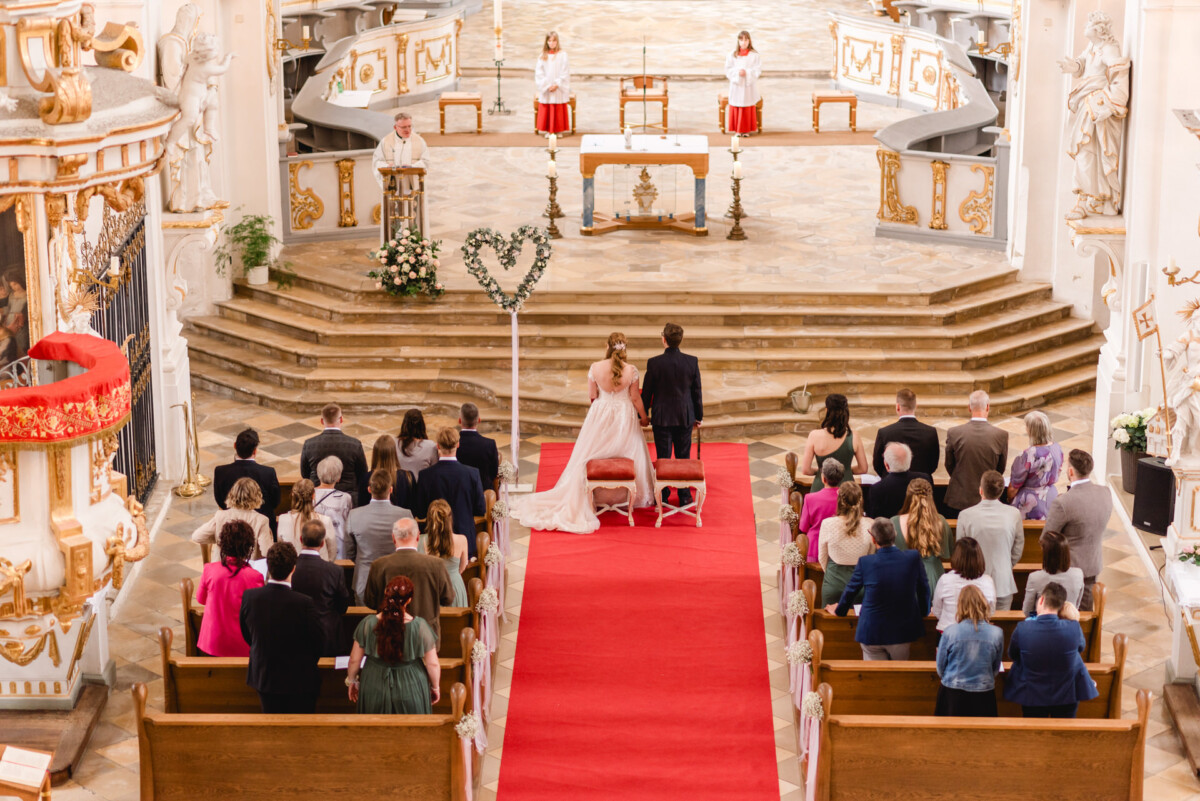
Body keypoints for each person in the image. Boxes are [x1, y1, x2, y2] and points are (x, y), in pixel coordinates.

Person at [512, 333, 655, 534]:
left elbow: (592, 395)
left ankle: (596, 494)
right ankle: (627, 495)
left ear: (607, 346)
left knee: (590, 453)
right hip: (625, 417)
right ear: (625, 349)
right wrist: (644, 417)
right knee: (630, 451)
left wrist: (602, 409)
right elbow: (635, 398)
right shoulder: (631, 370)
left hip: (600, 413)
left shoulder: (595, 368)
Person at [826, 518, 930, 660]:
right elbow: (924, 588)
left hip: (872, 631)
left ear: (873, 539)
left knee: (874, 673)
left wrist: (839, 610)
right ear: (895, 534)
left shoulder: (865, 562)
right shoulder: (912, 558)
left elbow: (851, 591)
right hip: (902, 631)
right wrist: (924, 612)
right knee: (899, 672)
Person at [239, 543, 324, 713]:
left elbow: (247, 633)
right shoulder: (304, 603)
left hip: (264, 675)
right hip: (299, 678)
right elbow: (318, 641)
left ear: (268, 566)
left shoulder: (250, 597)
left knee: (270, 723)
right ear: (293, 569)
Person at [347, 575, 440, 714]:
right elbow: (432, 664)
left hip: (374, 683)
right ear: (409, 600)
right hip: (411, 685)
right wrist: (435, 687)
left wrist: (352, 681)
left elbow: (354, 660)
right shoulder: (420, 626)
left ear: (386, 594)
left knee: (374, 727)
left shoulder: (368, 623)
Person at [1004, 582, 1099, 717]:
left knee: (1035, 729)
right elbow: (1080, 648)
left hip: (1032, 695)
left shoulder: (1023, 629)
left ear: (1041, 600)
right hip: (1066, 694)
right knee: (1065, 730)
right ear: (1061, 605)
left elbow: (1013, 655)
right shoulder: (1073, 627)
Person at [364, 518, 456, 644]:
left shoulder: (378, 565)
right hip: (425, 637)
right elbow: (448, 598)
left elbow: (370, 602)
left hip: (389, 635)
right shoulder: (436, 565)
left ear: (393, 538)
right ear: (418, 537)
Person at [642, 323, 703, 507]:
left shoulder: (654, 363)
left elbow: (647, 393)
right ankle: (684, 495)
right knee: (684, 456)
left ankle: (663, 495)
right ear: (680, 340)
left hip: (662, 417)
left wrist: (642, 414)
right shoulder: (692, 361)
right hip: (685, 416)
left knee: (663, 457)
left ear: (664, 340)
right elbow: (697, 392)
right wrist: (698, 416)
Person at [1044, 449, 1111, 611]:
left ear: (1071, 471)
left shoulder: (1063, 502)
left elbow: (1046, 538)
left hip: (1067, 570)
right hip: (1092, 564)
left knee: (1064, 614)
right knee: (1084, 614)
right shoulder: (1105, 492)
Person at [414, 428, 486, 559]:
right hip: (464, 542)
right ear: (458, 444)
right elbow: (480, 509)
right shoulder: (472, 474)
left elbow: (420, 512)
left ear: (438, 446)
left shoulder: (425, 476)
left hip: (434, 543)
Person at [194, 520, 264, 657]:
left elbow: (201, 599)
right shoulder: (255, 577)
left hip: (212, 643)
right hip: (242, 645)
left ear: (222, 545)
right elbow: (258, 611)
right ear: (248, 547)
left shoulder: (210, 570)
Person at [956, 471, 1023, 610]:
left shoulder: (965, 515)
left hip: (974, 582)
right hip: (1003, 580)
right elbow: (1018, 547)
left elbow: (961, 551)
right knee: (1000, 623)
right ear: (1001, 492)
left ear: (981, 490)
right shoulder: (1014, 514)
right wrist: (1006, 564)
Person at [346, 470, 414, 604]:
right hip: (397, 579)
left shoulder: (354, 515)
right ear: (391, 490)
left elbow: (349, 551)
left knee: (366, 616)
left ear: (369, 489)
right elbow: (410, 548)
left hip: (364, 579)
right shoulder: (405, 515)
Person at [935, 584, 1003, 717]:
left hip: (953, 689)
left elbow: (940, 668)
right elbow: (995, 667)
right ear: (983, 604)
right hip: (983, 690)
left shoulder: (950, 632)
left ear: (960, 606)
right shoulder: (996, 633)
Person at [290, 520, 353, 657]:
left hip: (295, 634)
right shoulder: (334, 571)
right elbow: (343, 606)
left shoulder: (289, 567)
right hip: (327, 635)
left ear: (301, 539)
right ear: (323, 543)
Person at [943, 390, 1008, 517]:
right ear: (988, 407)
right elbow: (1000, 470)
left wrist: (961, 478)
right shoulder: (1001, 435)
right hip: (987, 499)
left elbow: (949, 465)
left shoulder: (954, 433)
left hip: (959, 499)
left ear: (969, 408)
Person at [213, 428, 281, 534]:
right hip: (262, 528)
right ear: (255, 450)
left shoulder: (221, 472)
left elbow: (221, 501)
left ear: (235, 446)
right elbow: (275, 502)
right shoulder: (268, 473)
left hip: (232, 528)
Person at [299, 403, 370, 506]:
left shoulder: (309, 444)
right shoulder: (354, 444)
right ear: (341, 419)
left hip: (317, 500)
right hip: (349, 499)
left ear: (322, 421)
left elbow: (305, 474)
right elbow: (362, 474)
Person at [817, 482, 873, 606]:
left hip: (833, 583)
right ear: (861, 501)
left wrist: (832, 574)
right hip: (859, 585)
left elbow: (822, 557)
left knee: (829, 619)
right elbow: (871, 556)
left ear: (839, 500)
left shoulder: (827, 523)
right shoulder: (870, 524)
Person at [892, 478, 951, 593]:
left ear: (908, 496)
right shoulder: (940, 521)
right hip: (933, 577)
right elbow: (947, 555)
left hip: (904, 577)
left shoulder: (894, 522)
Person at [799, 394, 868, 493]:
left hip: (821, 488)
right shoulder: (855, 436)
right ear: (846, 412)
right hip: (846, 490)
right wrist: (846, 470)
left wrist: (821, 471)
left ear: (826, 411)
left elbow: (806, 470)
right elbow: (863, 469)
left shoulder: (814, 435)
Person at [191, 477, 272, 560]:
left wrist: (219, 538)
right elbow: (266, 551)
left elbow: (197, 536)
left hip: (222, 565)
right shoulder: (261, 520)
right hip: (248, 565)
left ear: (232, 495)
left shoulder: (221, 515)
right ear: (257, 497)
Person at [930, 537, 996, 632]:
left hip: (949, 630)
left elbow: (937, 610)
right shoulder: (987, 581)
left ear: (956, 557)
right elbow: (990, 612)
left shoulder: (945, 580)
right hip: (978, 632)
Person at [1007, 411, 1063, 520]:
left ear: (1032, 431)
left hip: (1029, 505)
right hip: (1051, 499)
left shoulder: (1027, 455)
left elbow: (1013, 489)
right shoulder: (1057, 448)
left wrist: (1009, 499)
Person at [872, 388, 940, 477]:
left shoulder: (885, 433)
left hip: (893, 483)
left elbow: (877, 465)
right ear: (916, 406)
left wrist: (889, 479)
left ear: (898, 407)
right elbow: (933, 465)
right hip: (922, 482)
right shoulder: (930, 432)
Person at [1022, 530, 1085, 615]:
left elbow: (1027, 611)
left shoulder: (1035, 578)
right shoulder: (1078, 574)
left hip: (1043, 622)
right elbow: (1076, 607)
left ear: (1046, 555)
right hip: (1069, 620)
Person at [868, 442, 933, 518]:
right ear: (909, 462)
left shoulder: (877, 489)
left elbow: (874, 519)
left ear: (886, 465)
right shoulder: (925, 479)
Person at [277, 479, 336, 562]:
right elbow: (332, 552)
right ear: (313, 495)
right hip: (319, 566)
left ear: (293, 495)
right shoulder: (325, 520)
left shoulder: (283, 519)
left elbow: (281, 548)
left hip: (294, 567)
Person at [424, 499, 468, 606]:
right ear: (450, 518)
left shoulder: (422, 541)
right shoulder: (462, 540)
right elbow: (463, 567)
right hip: (454, 586)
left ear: (429, 519)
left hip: (431, 588)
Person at [800, 459, 844, 562]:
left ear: (823, 479)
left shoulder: (810, 498)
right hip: (839, 548)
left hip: (814, 548)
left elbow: (803, 527)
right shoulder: (845, 498)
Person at [313, 455, 353, 558]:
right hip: (338, 548)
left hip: (313, 544)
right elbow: (348, 522)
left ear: (318, 474)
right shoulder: (345, 498)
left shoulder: (309, 494)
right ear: (338, 477)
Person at [724, 31, 762, 135]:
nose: (743, 42)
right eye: (741, 40)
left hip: (748, 85)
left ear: (749, 41)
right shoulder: (732, 55)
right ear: (738, 41)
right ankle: (737, 129)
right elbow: (728, 69)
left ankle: (746, 130)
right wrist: (737, 73)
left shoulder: (754, 55)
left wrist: (747, 73)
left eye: (746, 39)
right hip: (737, 85)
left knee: (747, 105)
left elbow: (757, 70)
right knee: (737, 104)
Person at [457, 403, 500, 493]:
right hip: (484, 492)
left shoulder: (453, 445)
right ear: (479, 420)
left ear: (460, 420)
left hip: (460, 492)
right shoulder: (489, 444)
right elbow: (494, 473)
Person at [534, 32, 571, 136]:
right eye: (549, 40)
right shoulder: (542, 56)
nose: (551, 43)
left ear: (557, 41)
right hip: (547, 87)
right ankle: (548, 130)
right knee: (548, 106)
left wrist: (557, 84)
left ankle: (559, 130)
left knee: (558, 107)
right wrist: (547, 85)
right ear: (546, 42)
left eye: (554, 40)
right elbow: (539, 72)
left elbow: (565, 71)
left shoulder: (563, 55)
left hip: (558, 87)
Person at [370, 433, 417, 511]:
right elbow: (414, 508)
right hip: (402, 518)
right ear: (394, 453)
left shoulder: (367, 478)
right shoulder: (408, 477)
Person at [397, 408, 439, 477]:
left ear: (404, 425)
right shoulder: (431, 446)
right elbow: (435, 471)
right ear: (422, 425)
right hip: (422, 483)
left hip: (399, 483)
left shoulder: (394, 444)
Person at [3, 270, 28, 358]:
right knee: (12, 342)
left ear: (19, 282)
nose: (14, 287)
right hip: (10, 320)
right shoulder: (11, 295)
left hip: (20, 320)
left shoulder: (27, 294)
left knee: (21, 341)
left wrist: (22, 316)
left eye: (15, 284)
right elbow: (8, 308)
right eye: (12, 286)